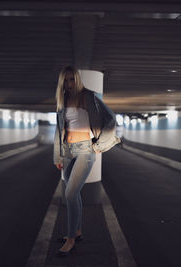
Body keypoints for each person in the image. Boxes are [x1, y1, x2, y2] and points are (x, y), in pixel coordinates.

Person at [53, 66, 121, 257]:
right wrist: (58, 155)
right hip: (68, 151)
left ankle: (71, 239)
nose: (68, 84)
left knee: (70, 194)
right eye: (65, 81)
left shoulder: (89, 97)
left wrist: (98, 145)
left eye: (71, 80)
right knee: (74, 193)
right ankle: (77, 231)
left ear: (77, 80)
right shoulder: (62, 100)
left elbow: (110, 118)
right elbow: (59, 130)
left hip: (85, 149)